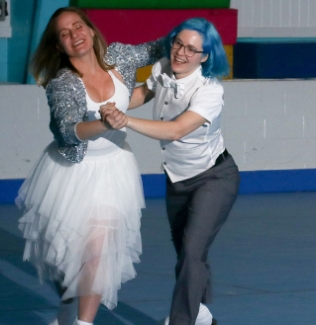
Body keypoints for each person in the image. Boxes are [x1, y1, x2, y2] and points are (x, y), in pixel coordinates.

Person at [15, 7, 164, 325]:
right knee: (63, 256)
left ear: (92, 30)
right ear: (59, 46)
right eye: (64, 33)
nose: (74, 35)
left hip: (113, 172)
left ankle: (83, 323)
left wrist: (189, 42)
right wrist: (104, 122)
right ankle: (68, 305)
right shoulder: (62, 84)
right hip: (71, 173)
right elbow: (68, 131)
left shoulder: (120, 57)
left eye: (78, 26)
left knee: (98, 252)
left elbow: (158, 49)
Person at [101, 18, 240, 325]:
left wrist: (125, 122)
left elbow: (176, 130)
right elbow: (142, 93)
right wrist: (114, 106)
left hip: (215, 178)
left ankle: (182, 320)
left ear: (205, 56)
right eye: (178, 43)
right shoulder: (164, 67)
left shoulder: (210, 91)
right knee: (188, 253)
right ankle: (200, 313)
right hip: (177, 178)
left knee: (192, 250)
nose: (181, 53)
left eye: (192, 50)